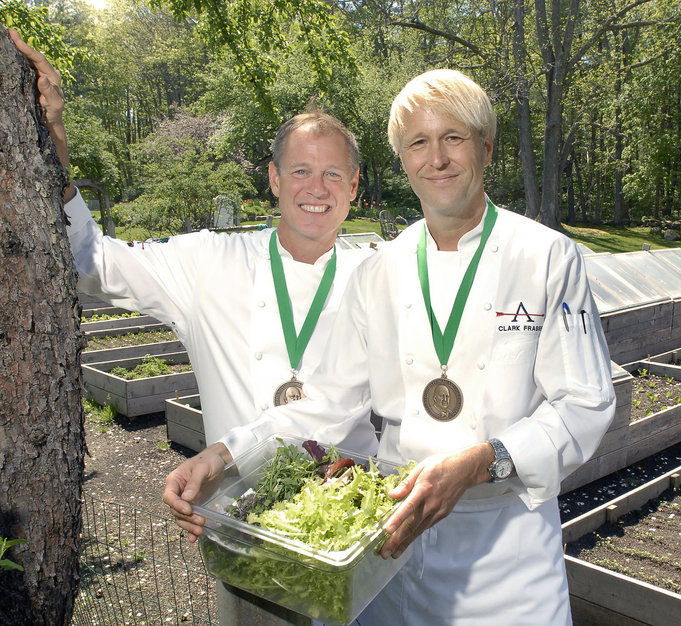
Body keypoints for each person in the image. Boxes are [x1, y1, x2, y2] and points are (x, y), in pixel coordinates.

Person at [164, 69, 615, 625]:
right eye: (418, 143)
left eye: (454, 138)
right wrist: (223, 455)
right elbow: (327, 400)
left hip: (508, 551)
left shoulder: (547, 258)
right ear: (402, 160)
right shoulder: (379, 271)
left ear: (486, 148)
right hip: (391, 545)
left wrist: (482, 461)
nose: (438, 158)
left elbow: (585, 403)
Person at [11, 29, 378, 626]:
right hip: (246, 538)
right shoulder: (210, 263)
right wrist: (56, 151)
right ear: (274, 179)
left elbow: (353, 402)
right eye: (301, 171)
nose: (317, 189)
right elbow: (92, 265)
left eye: (334, 174)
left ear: (355, 187)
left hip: (352, 539)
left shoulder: (377, 276)